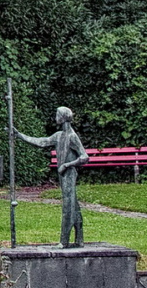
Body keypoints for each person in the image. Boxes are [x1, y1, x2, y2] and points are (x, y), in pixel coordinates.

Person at [12, 106, 89, 248]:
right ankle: (79, 239)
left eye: (57, 114)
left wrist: (67, 165)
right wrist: (20, 135)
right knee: (74, 205)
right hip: (63, 175)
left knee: (68, 206)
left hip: (69, 174)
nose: (55, 117)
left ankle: (64, 241)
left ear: (64, 117)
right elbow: (41, 142)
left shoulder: (72, 137)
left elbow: (84, 157)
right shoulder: (59, 136)